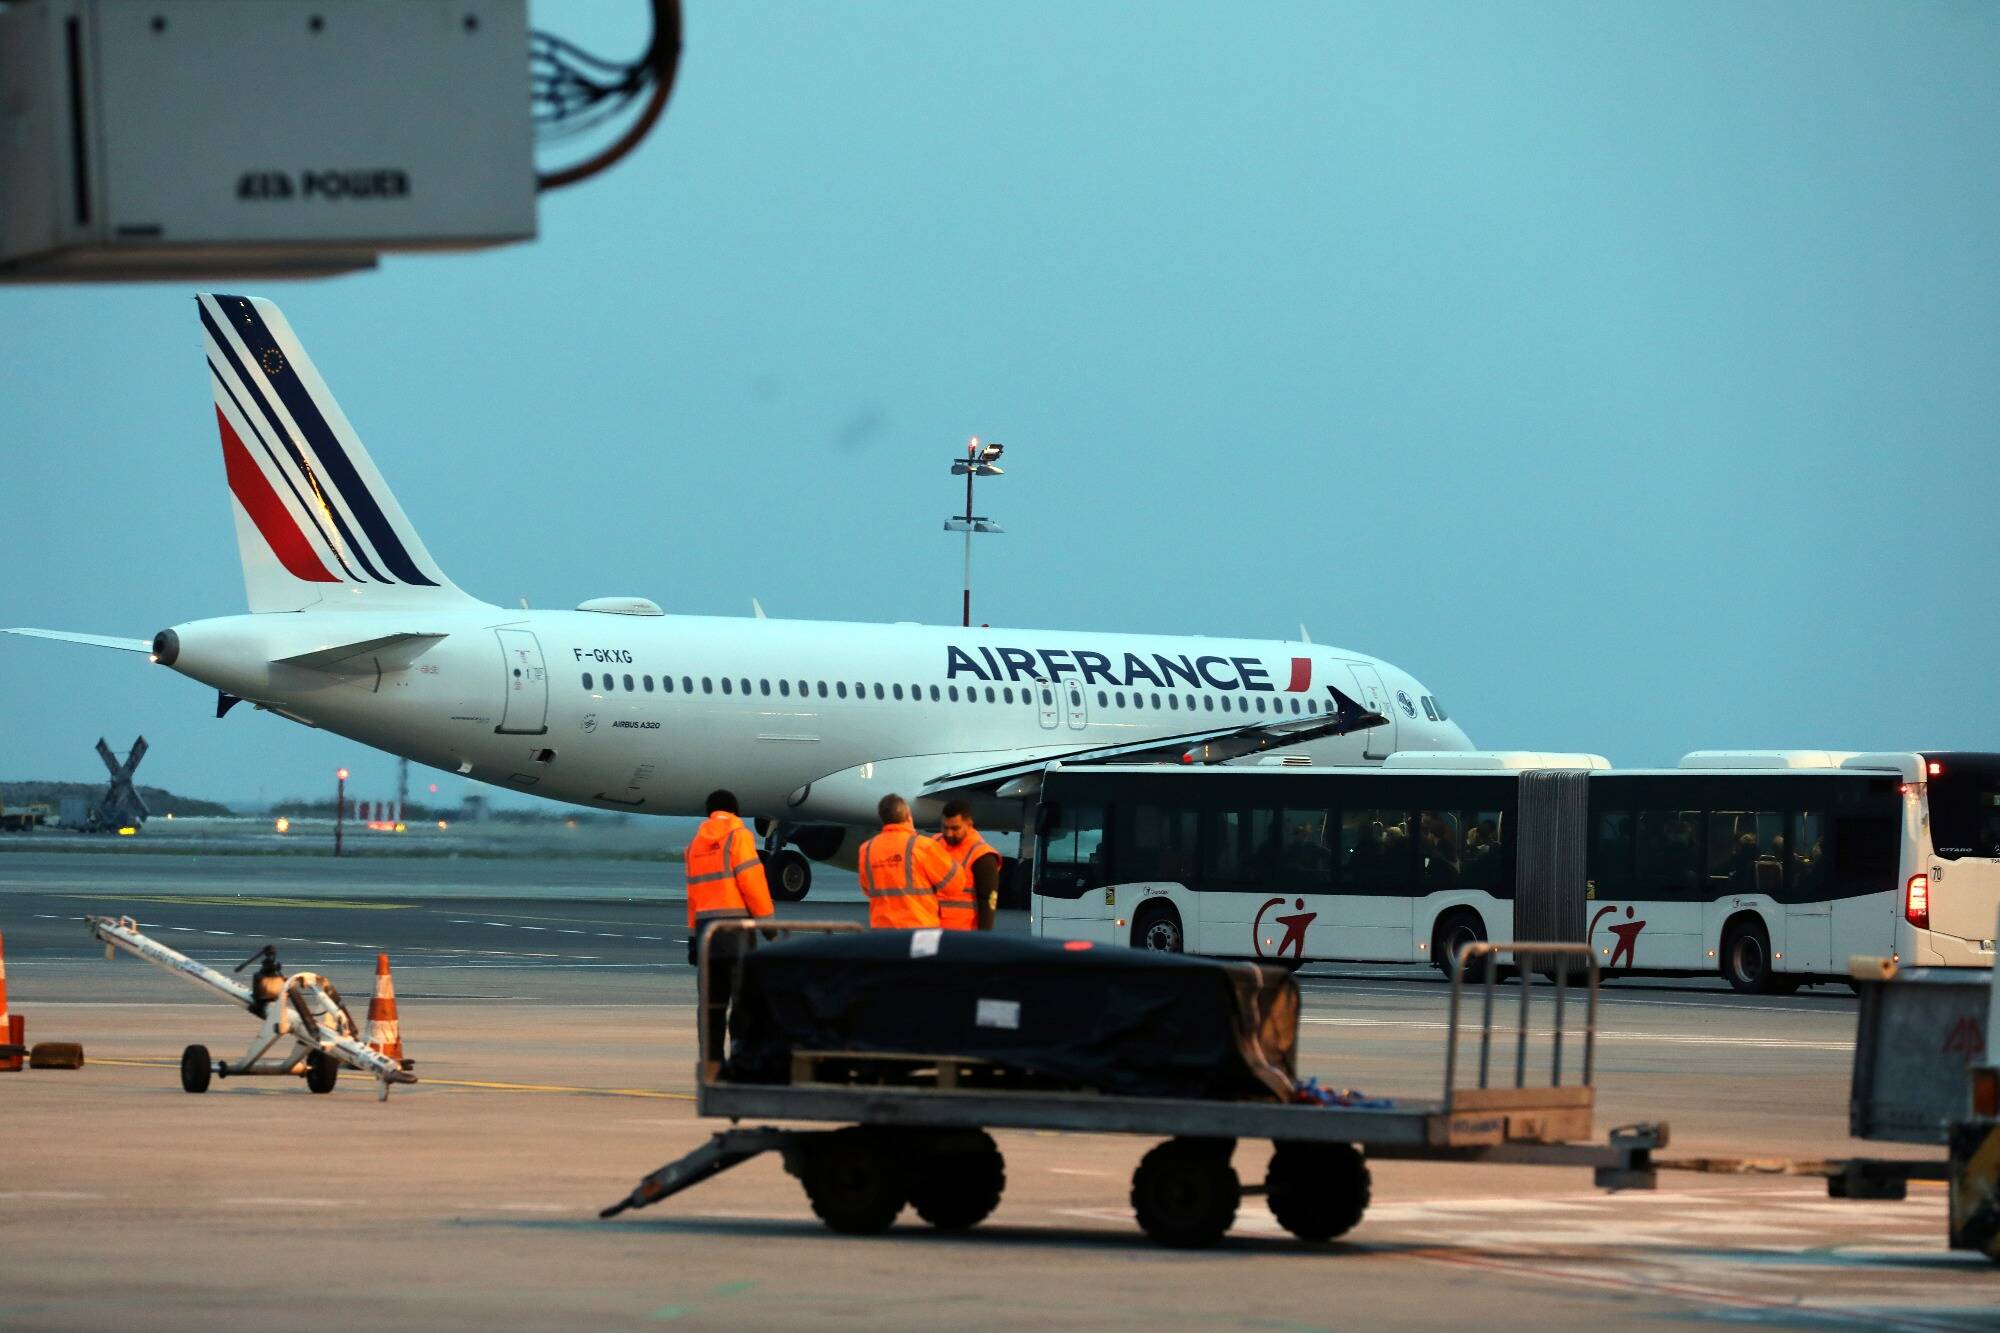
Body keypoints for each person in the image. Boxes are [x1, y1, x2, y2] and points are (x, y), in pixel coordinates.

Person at [683, 789, 774, 1066]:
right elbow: (751, 882)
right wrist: (767, 923)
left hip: (707, 935)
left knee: (711, 1004)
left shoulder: (696, 844)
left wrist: (692, 939)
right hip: (737, 933)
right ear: (735, 810)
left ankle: (710, 1062)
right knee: (743, 1001)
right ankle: (740, 1055)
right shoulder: (738, 836)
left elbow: (693, 897)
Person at [856, 793, 956, 929]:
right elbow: (954, 883)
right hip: (920, 927)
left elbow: (867, 888)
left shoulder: (867, 849)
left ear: (882, 818)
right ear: (908, 815)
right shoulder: (924, 846)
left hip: (882, 929)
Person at [932, 799, 1001, 931]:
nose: (949, 833)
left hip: (963, 933)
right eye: (945, 827)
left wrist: (983, 937)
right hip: (931, 930)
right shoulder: (934, 844)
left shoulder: (982, 856)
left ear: (969, 824)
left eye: (955, 828)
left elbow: (988, 901)